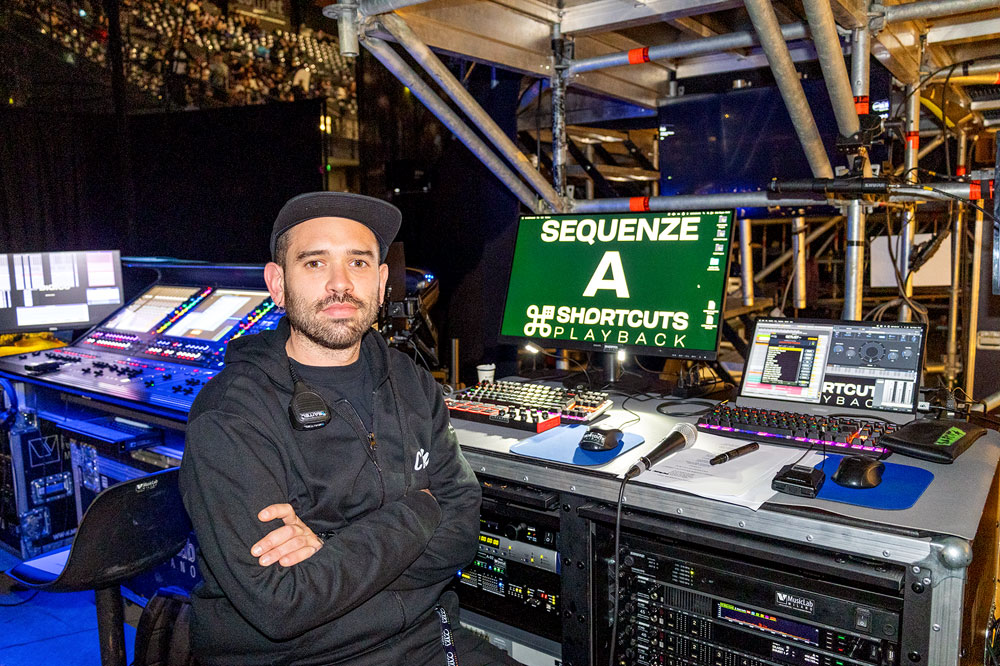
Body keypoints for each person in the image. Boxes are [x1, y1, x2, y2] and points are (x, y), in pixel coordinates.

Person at [180, 192, 522, 665]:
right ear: (278, 284)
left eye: (358, 263)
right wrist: (421, 510)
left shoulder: (411, 381)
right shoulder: (231, 415)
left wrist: (329, 551)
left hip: (424, 638)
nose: (340, 284)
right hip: (300, 658)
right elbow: (282, 602)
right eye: (315, 263)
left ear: (381, 283)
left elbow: (462, 533)